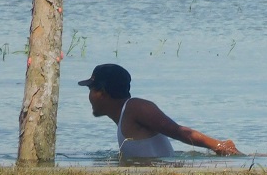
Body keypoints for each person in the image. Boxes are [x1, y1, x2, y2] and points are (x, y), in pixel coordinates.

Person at [78, 63, 241, 158]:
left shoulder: (135, 108)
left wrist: (219, 146)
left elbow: (179, 132)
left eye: (90, 90)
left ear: (101, 92)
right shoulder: (125, 116)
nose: (89, 96)